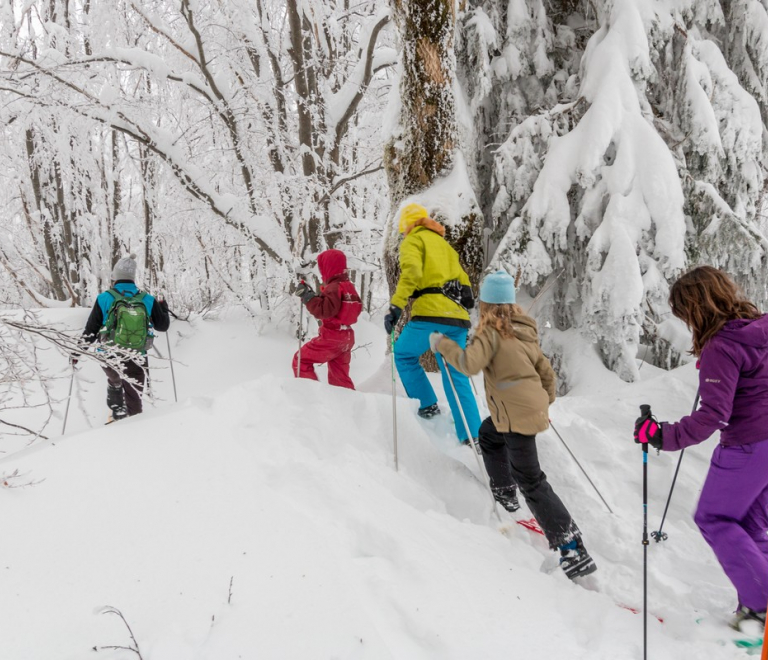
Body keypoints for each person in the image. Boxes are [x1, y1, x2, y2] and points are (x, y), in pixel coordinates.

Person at [432, 270, 597, 580]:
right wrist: (543, 403)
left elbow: (468, 364)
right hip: (523, 408)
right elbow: (547, 373)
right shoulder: (523, 329)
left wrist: (442, 345)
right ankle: (505, 491)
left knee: (531, 479)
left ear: (487, 304)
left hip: (516, 413)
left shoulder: (490, 331)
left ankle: (571, 546)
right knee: (489, 436)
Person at [634, 266, 768, 630]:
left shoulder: (722, 346)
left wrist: (662, 435)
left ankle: (760, 605)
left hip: (749, 446)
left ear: (695, 309)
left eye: (684, 314)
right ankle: (756, 606)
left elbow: (713, 416)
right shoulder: (759, 330)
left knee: (715, 518)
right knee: (750, 524)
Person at [385, 203, 482, 447]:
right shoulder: (445, 246)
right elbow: (465, 284)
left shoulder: (412, 241)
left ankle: (426, 405)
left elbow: (411, 275)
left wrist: (396, 307)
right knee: (455, 374)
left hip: (429, 315)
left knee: (405, 355)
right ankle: (473, 435)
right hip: (457, 318)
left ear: (407, 226)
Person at [72, 254, 170, 421]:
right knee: (134, 396)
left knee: (114, 376)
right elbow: (163, 326)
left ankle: (116, 392)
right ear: (133, 276)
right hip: (137, 356)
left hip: (109, 354)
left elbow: (91, 330)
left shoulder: (104, 298)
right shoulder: (147, 299)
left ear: (115, 276)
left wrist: (76, 354)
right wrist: (164, 308)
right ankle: (134, 423)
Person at [292, 249, 362, 389]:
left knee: (300, 360)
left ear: (328, 266)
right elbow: (337, 307)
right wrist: (312, 295)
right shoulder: (347, 286)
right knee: (339, 377)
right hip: (346, 336)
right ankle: (348, 404)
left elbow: (324, 311)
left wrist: (308, 297)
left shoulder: (333, 287)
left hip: (332, 336)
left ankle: (312, 396)